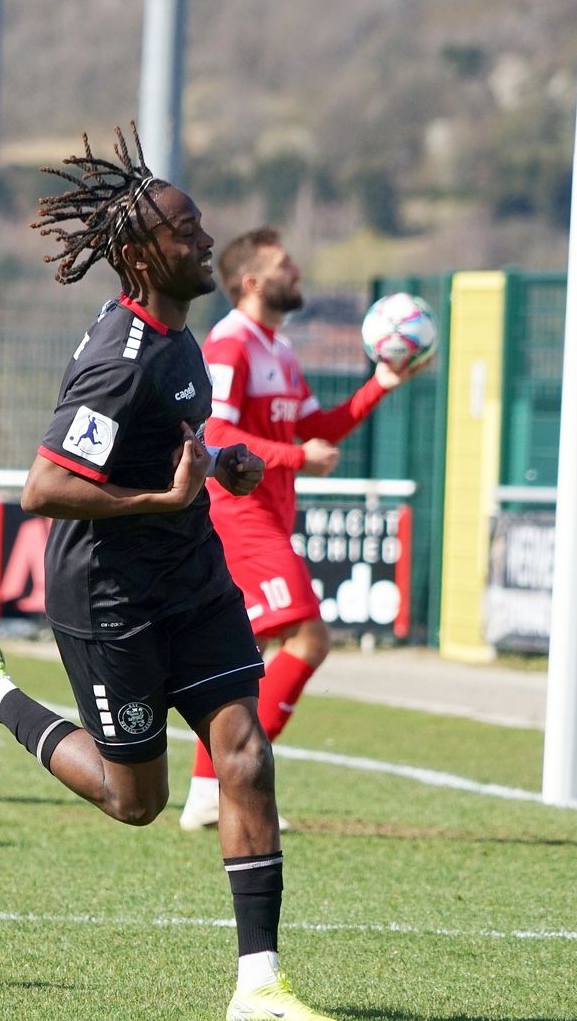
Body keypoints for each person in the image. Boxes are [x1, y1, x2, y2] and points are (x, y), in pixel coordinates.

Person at [0, 129, 338, 1021]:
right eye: (186, 230)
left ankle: (258, 986)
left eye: (200, 224)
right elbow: (45, 488)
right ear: (140, 254)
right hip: (111, 598)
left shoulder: (179, 336)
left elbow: (171, 446)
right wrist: (159, 498)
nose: (205, 241)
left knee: (246, 755)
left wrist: (217, 467)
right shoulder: (121, 360)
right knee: (133, 800)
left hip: (192, 577)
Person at [178, 227, 427, 832]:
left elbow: (317, 428)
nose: (296, 273)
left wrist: (380, 385)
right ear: (252, 282)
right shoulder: (230, 344)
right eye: (284, 265)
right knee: (310, 638)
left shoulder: (281, 350)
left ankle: (207, 792)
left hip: (269, 516)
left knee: (246, 658)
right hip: (238, 513)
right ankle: (236, 779)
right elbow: (217, 433)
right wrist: (296, 458)